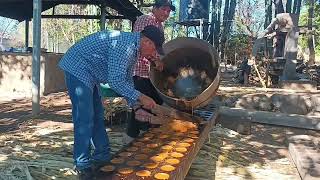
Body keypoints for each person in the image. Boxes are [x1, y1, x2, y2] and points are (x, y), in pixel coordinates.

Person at [58, 25, 164, 179]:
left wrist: (135, 106)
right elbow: (115, 81)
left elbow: (126, 80)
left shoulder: (134, 50)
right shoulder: (124, 46)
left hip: (91, 73)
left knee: (98, 115)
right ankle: (82, 164)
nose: (153, 54)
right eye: (154, 49)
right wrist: (141, 97)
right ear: (146, 42)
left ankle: (102, 157)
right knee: (85, 118)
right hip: (78, 67)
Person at [124, 0, 175, 143]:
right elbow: (139, 45)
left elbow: (157, 50)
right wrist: (155, 61)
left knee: (152, 105)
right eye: (163, 9)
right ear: (154, 8)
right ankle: (130, 140)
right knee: (140, 106)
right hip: (139, 71)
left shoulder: (159, 25)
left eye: (168, 11)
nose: (166, 13)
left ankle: (148, 137)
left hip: (149, 74)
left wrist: (159, 63)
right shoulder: (145, 19)